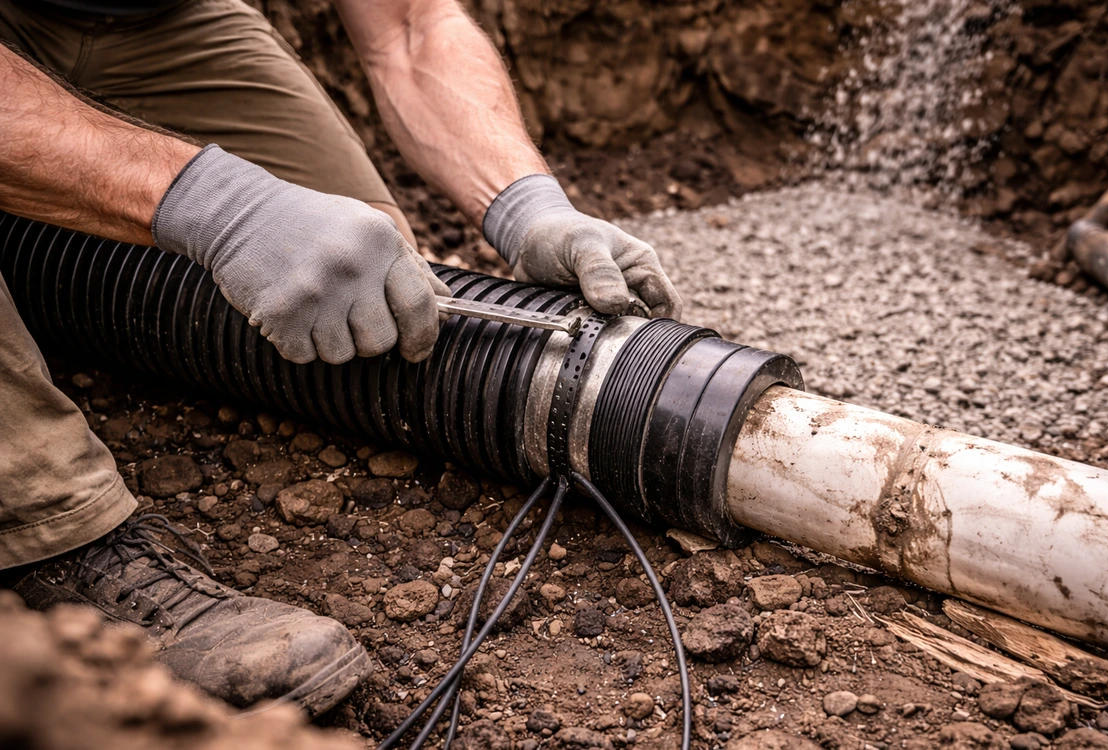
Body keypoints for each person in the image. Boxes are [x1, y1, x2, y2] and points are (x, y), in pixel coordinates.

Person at [0, 0, 682, 715]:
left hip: (157, 22)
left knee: (365, 285)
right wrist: (223, 208)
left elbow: (412, 25)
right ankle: (52, 538)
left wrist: (526, 206)